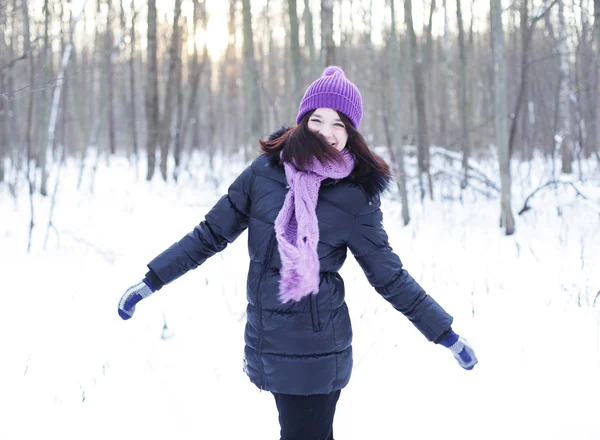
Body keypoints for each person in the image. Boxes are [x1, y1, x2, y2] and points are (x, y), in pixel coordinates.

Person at [118, 66, 478, 440]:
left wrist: (445, 334)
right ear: (303, 122)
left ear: (351, 133)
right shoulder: (264, 173)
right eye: (317, 119)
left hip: (317, 351)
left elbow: (389, 276)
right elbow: (210, 234)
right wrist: (151, 280)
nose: (326, 131)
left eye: (339, 124)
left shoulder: (354, 195)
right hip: (267, 339)